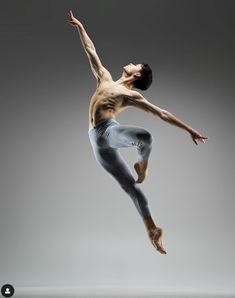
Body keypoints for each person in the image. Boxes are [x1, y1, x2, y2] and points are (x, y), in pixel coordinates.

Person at [66, 10, 208, 254]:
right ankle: (152, 230)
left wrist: (190, 130)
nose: (132, 61)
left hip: (108, 131)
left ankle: (142, 164)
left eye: (136, 63)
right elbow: (91, 52)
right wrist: (80, 26)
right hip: (95, 141)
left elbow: (161, 113)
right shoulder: (105, 78)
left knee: (145, 136)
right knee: (133, 190)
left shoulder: (130, 95)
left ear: (137, 73)